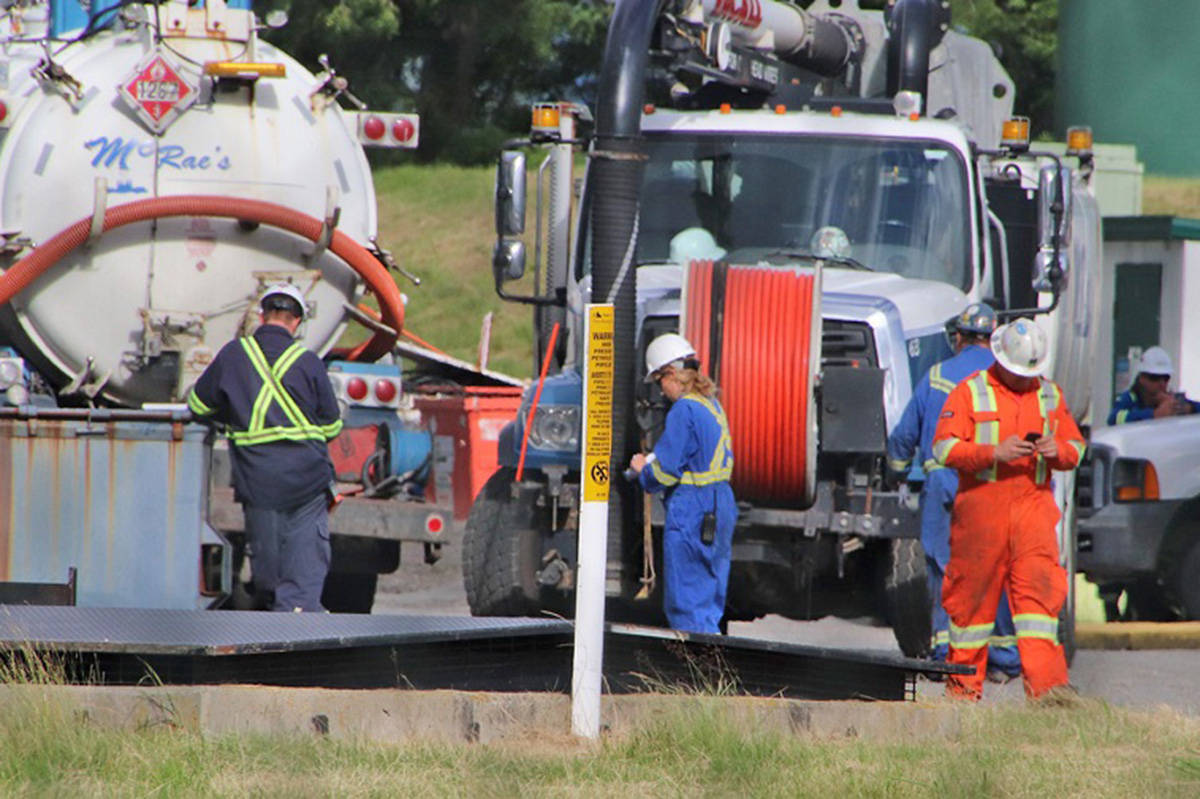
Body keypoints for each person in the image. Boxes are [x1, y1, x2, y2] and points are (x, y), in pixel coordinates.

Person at [932, 318, 1086, 701]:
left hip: (1033, 513)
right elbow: (943, 448)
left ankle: (1049, 696)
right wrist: (992, 453)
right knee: (971, 608)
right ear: (1000, 360)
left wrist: (1059, 451)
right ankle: (963, 694)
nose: (1023, 380)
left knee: (1039, 605)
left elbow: (1077, 447)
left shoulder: (1049, 396)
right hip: (982, 515)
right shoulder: (971, 392)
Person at [187, 283, 343, 612]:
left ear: (261, 316)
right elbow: (331, 426)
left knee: (269, 574)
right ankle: (299, 626)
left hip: (258, 481)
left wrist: (234, 411)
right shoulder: (309, 361)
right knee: (302, 573)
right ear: (297, 322)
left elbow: (198, 406)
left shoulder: (233, 355)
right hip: (306, 480)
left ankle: (274, 616)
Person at [887, 303, 1020, 683]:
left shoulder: (938, 376)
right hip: (992, 484)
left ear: (958, 337)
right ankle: (1004, 654)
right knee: (995, 563)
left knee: (943, 565)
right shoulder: (1007, 378)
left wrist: (897, 476)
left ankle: (946, 649)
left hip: (943, 482)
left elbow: (903, 439)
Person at [628, 333, 736, 634]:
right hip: (720, 502)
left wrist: (643, 471)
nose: (661, 390)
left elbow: (666, 472)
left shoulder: (683, 410)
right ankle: (710, 669)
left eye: (660, 380)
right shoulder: (710, 404)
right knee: (708, 594)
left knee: (685, 596)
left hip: (693, 507)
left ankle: (691, 671)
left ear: (672, 374)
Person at [1108, 345, 1199, 425]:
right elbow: (1113, 419)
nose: (1162, 384)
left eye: (1166, 378)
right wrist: (1154, 414)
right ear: (1142, 378)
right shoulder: (1130, 398)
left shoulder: (1171, 399)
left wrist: (1189, 408)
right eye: (1155, 378)